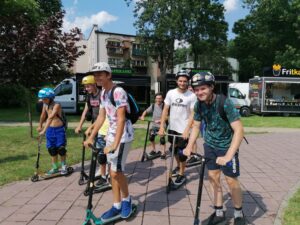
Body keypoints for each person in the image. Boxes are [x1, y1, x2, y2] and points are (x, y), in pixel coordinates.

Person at [183, 72, 246, 225]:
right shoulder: (198, 104)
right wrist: (189, 146)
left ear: (211, 87)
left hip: (227, 147)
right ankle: (219, 211)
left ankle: (238, 213)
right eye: (196, 89)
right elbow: (196, 126)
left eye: (203, 88)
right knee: (213, 178)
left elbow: (239, 130)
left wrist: (229, 156)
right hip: (210, 145)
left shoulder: (225, 103)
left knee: (231, 181)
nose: (199, 92)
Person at [84, 62, 134, 221]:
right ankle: (116, 205)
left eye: (101, 74)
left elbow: (121, 119)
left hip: (123, 136)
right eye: (95, 74)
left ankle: (127, 200)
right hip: (111, 136)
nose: (97, 77)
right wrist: (91, 136)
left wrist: (115, 144)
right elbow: (101, 117)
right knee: (114, 173)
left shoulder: (118, 92)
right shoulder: (104, 92)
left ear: (109, 75)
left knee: (116, 171)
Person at [158, 69, 197, 188]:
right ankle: (178, 166)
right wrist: (161, 127)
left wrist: (187, 129)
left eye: (185, 81)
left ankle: (182, 174)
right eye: (180, 81)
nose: (182, 83)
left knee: (182, 153)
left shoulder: (192, 95)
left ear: (188, 82)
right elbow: (165, 109)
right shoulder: (171, 93)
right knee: (173, 151)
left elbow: (192, 114)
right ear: (176, 81)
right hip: (172, 128)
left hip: (183, 130)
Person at [77, 75, 110, 186]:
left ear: (94, 84)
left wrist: (91, 128)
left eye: (88, 86)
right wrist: (80, 125)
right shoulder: (89, 96)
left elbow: (104, 115)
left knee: (104, 151)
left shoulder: (102, 95)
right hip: (95, 125)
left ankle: (106, 173)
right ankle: (102, 171)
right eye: (85, 87)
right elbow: (85, 111)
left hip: (104, 124)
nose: (86, 89)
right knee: (97, 150)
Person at [37, 88, 68, 175]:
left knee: (61, 149)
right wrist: (40, 125)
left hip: (59, 130)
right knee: (52, 149)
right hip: (50, 130)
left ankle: (63, 166)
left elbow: (50, 117)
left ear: (51, 98)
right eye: (42, 99)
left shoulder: (57, 105)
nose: (44, 101)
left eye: (45, 99)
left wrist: (43, 130)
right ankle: (54, 168)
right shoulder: (45, 105)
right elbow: (43, 115)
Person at [140, 92, 167, 159]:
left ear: (162, 99)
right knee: (151, 137)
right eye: (157, 98)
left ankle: (163, 153)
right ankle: (154, 150)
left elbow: (167, 117)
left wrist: (161, 120)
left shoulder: (165, 106)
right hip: (154, 125)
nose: (158, 100)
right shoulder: (153, 105)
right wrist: (143, 116)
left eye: (160, 98)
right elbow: (146, 111)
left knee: (162, 140)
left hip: (162, 126)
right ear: (155, 99)